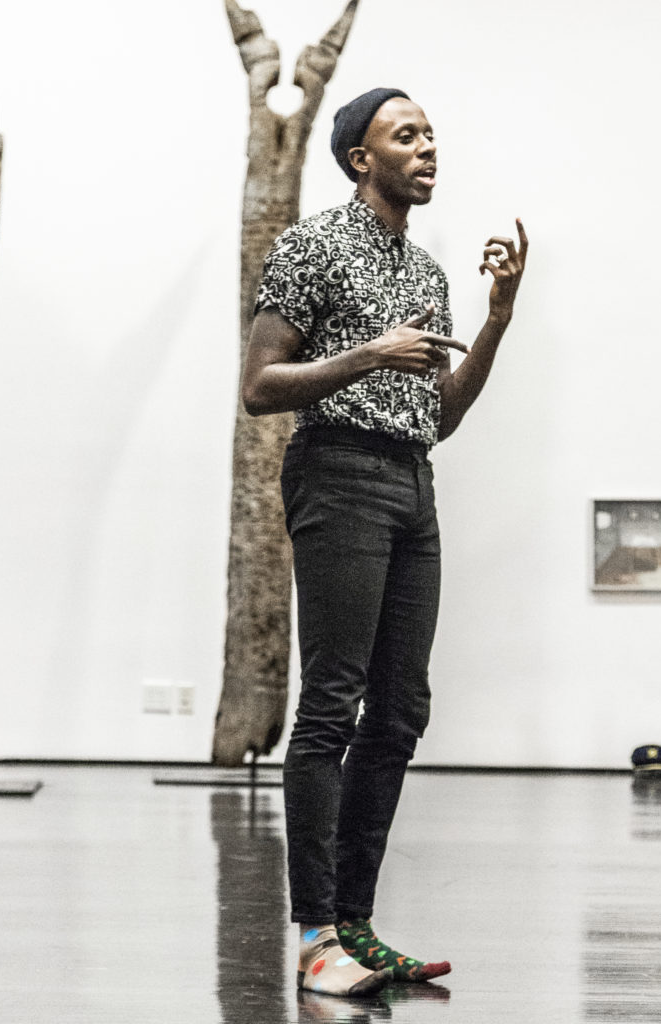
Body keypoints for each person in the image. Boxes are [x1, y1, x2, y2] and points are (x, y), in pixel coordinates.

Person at [242, 86, 528, 998]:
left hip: (411, 482)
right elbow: (259, 385)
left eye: (432, 134)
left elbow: (438, 416)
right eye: (407, 135)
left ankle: (356, 926)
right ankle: (314, 935)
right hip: (336, 474)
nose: (428, 146)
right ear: (361, 158)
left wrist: (497, 317)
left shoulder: (426, 273)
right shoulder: (311, 245)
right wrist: (365, 354)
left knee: (401, 711)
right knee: (332, 702)